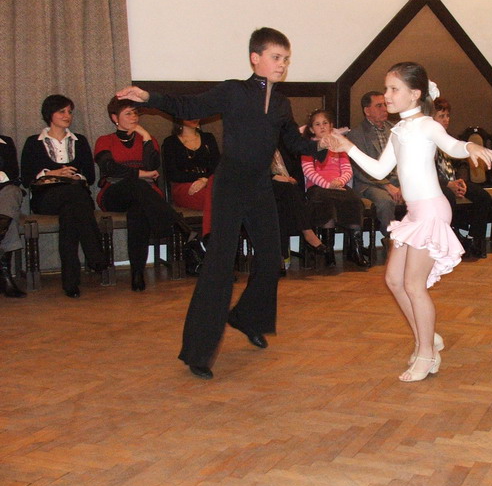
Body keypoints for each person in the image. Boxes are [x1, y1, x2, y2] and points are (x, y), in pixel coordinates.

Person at [115, 27, 327, 380]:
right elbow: (188, 106)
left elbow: (294, 142)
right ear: (255, 58)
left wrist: (323, 143)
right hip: (229, 186)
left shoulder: (281, 104)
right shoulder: (233, 91)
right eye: (276, 57)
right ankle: (197, 352)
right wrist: (149, 96)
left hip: (260, 186)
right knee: (219, 265)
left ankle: (247, 318)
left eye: (286, 59)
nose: (282, 64)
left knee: (271, 257)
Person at [324, 62, 492, 382]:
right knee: (394, 280)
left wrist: (471, 145)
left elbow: (452, 145)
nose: (387, 95)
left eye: (394, 89)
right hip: (415, 213)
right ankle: (427, 337)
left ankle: (427, 352)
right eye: (387, 88)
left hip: (431, 212)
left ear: (415, 94)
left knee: (414, 286)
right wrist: (348, 146)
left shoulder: (427, 125)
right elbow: (379, 170)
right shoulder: (399, 130)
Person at [94, 97, 200, 292]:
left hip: (146, 196)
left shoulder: (148, 139)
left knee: (139, 211)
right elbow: (109, 168)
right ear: (114, 118)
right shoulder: (104, 141)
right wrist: (140, 174)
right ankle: (177, 224)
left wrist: (144, 137)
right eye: (128, 113)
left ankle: (137, 273)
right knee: (137, 184)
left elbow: (152, 165)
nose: (134, 117)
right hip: (114, 194)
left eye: (135, 113)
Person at [21, 95, 105, 298]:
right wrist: (54, 173)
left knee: (70, 212)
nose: (68, 115)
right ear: (49, 114)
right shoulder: (33, 142)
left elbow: (90, 177)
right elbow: (26, 178)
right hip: (46, 197)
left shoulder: (80, 141)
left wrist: (75, 176)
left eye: (69, 111)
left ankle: (70, 282)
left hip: (76, 196)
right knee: (74, 195)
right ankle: (95, 253)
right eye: (62, 111)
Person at [301, 109, 370, 268]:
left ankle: (356, 249)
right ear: (311, 129)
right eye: (317, 124)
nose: (322, 127)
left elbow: (347, 170)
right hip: (318, 187)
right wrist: (327, 185)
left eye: (325, 123)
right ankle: (328, 251)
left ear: (331, 126)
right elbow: (308, 172)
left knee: (354, 201)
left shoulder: (339, 146)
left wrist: (339, 181)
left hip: (338, 186)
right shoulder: (308, 147)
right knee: (326, 203)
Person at [432, 97, 492, 258]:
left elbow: (461, 164)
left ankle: (475, 239)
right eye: (441, 116)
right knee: (448, 195)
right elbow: (426, 173)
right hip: (435, 184)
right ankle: (451, 239)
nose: (446, 120)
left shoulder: (449, 138)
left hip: (453, 181)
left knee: (483, 196)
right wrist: (448, 184)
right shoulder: (426, 141)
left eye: (447, 116)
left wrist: (461, 182)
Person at [348, 91, 402, 241]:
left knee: (419, 194)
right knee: (385, 201)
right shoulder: (356, 134)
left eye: (385, 104)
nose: (385, 109)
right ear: (367, 111)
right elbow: (360, 170)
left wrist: (404, 185)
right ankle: (392, 240)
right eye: (379, 106)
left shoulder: (395, 130)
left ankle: (419, 239)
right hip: (369, 184)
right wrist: (387, 186)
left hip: (397, 180)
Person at [161, 118, 220, 241]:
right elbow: (173, 174)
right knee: (215, 198)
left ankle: (215, 240)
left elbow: (218, 167)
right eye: (189, 115)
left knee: (223, 195)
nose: (194, 118)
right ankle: (210, 239)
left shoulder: (209, 138)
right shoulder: (170, 142)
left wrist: (205, 180)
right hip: (184, 186)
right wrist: (199, 179)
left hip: (210, 183)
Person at [271, 146, 327, 273]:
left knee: (281, 206)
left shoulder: (283, 145)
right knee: (287, 191)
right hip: (259, 188)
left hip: (283, 194)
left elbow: (296, 172)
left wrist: (290, 179)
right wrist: (273, 177)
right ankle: (308, 232)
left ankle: (280, 258)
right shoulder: (252, 144)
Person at [0, 132, 25, 298]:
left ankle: (4, 274)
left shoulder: (5, 142)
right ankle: (5, 275)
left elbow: (13, 173)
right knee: (10, 218)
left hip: (3, 191)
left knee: (12, 193)